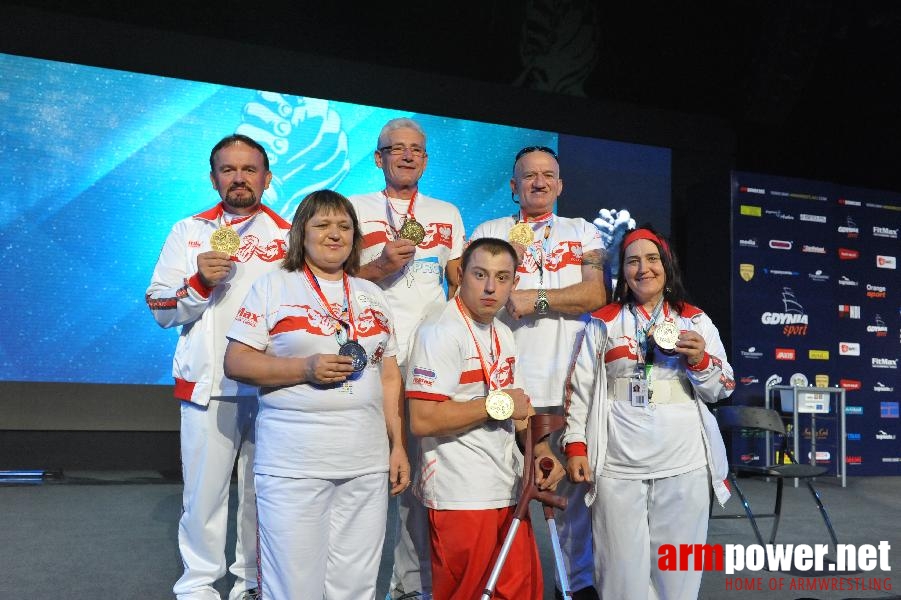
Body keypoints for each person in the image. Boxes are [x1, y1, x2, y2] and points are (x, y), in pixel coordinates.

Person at [222, 190, 410, 600]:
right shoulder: (273, 286)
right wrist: (303, 369)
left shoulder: (372, 294)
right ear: (301, 234)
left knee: (356, 584)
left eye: (344, 226)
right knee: (294, 585)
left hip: (365, 462)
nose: (334, 235)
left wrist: (397, 446)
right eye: (322, 225)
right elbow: (235, 361)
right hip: (294, 463)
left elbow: (388, 375)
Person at [146, 133, 290, 600]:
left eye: (249, 169)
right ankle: (198, 584)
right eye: (228, 170)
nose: (239, 178)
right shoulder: (187, 231)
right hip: (208, 386)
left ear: (267, 179)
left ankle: (251, 580)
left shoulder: (290, 236)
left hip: (272, 387)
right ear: (213, 178)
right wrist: (199, 282)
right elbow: (161, 308)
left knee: (259, 493)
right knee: (203, 496)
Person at [562, 226, 734, 600]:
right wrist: (575, 445)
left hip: (684, 462)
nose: (644, 269)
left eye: (652, 259)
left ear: (666, 264)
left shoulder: (695, 320)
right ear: (622, 271)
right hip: (618, 465)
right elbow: (579, 390)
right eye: (633, 261)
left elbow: (723, 388)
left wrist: (700, 360)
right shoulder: (602, 321)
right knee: (620, 575)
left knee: (679, 572)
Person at [469, 145, 606, 599]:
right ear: (514, 187)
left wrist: (537, 299)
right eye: (529, 176)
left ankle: (576, 587)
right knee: (504, 494)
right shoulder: (492, 231)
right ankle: (505, 587)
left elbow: (594, 294)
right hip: (509, 386)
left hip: (571, 387)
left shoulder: (582, 230)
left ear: (560, 185)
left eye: (548, 175)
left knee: (573, 502)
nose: (539, 182)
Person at [406, 237, 565, 600]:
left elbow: (520, 407)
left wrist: (540, 451)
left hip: (507, 488)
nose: (491, 287)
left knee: (518, 593)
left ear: (514, 283)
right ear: (461, 273)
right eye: (480, 275)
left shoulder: (503, 333)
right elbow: (424, 419)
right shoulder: (439, 331)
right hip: (460, 496)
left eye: (502, 277)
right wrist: (497, 405)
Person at [348, 117, 466, 600]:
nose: (407, 155)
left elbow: (456, 277)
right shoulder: (353, 208)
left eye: (416, 148)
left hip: (428, 361)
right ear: (378, 158)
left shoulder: (447, 212)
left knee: (420, 478)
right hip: (369, 355)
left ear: (426, 158)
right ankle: (349, 585)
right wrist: (380, 267)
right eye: (395, 148)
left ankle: (409, 584)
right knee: (367, 474)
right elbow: (333, 275)